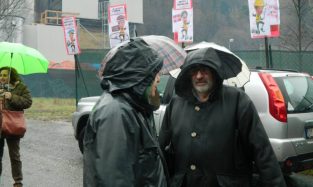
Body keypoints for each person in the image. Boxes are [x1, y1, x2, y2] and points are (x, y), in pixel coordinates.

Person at [159, 47, 286, 187]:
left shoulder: (238, 101)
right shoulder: (176, 103)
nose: (199, 76)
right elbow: (161, 147)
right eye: (194, 70)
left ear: (215, 72)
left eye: (205, 70)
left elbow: (262, 151)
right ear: (188, 74)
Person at [83, 38, 168, 187]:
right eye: (155, 74)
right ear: (140, 78)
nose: (159, 79)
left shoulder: (134, 106)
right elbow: (114, 179)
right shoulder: (116, 113)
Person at [0, 67, 32, 187]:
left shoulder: (20, 87)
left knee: (14, 156)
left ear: (11, 76)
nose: (2, 77)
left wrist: (11, 97)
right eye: (0, 75)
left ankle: (17, 182)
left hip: (12, 126)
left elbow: (28, 102)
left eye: (5, 75)